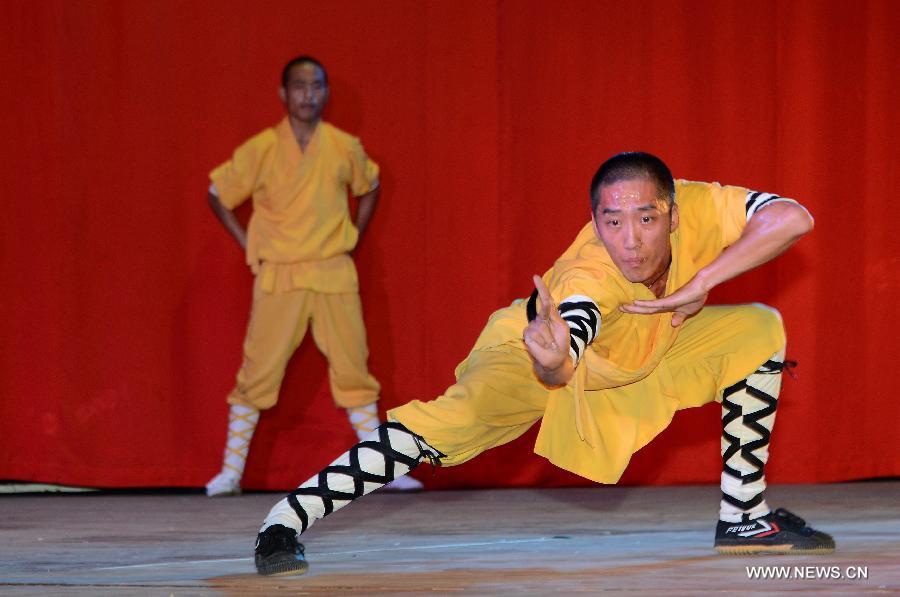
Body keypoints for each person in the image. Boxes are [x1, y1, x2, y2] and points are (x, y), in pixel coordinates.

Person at [250, 151, 835, 576]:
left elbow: (794, 217)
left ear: (674, 212)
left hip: (646, 348)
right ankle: (285, 518)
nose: (629, 240)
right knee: (446, 424)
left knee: (759, 327)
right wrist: (554, 360)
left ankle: (743, 515)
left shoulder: (702, 204)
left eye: (646, 219)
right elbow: (565, 347)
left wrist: (704, 280)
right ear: (596, 220)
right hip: (538, 353)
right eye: (612, 222)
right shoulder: (591, 273)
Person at [204, 55, 422, 497]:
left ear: (325, 92)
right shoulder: (262, 148)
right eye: (300, 86)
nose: (309, 94)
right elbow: (217, 193)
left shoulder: (343, 145)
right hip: (280, 274)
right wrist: (250, 243)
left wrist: (354, 235)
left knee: (354, 368)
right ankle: (230, 472)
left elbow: (371, 185)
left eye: (317, 85)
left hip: (332, 271)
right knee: (257, 371)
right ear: (284, 94)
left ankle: (384, 469)